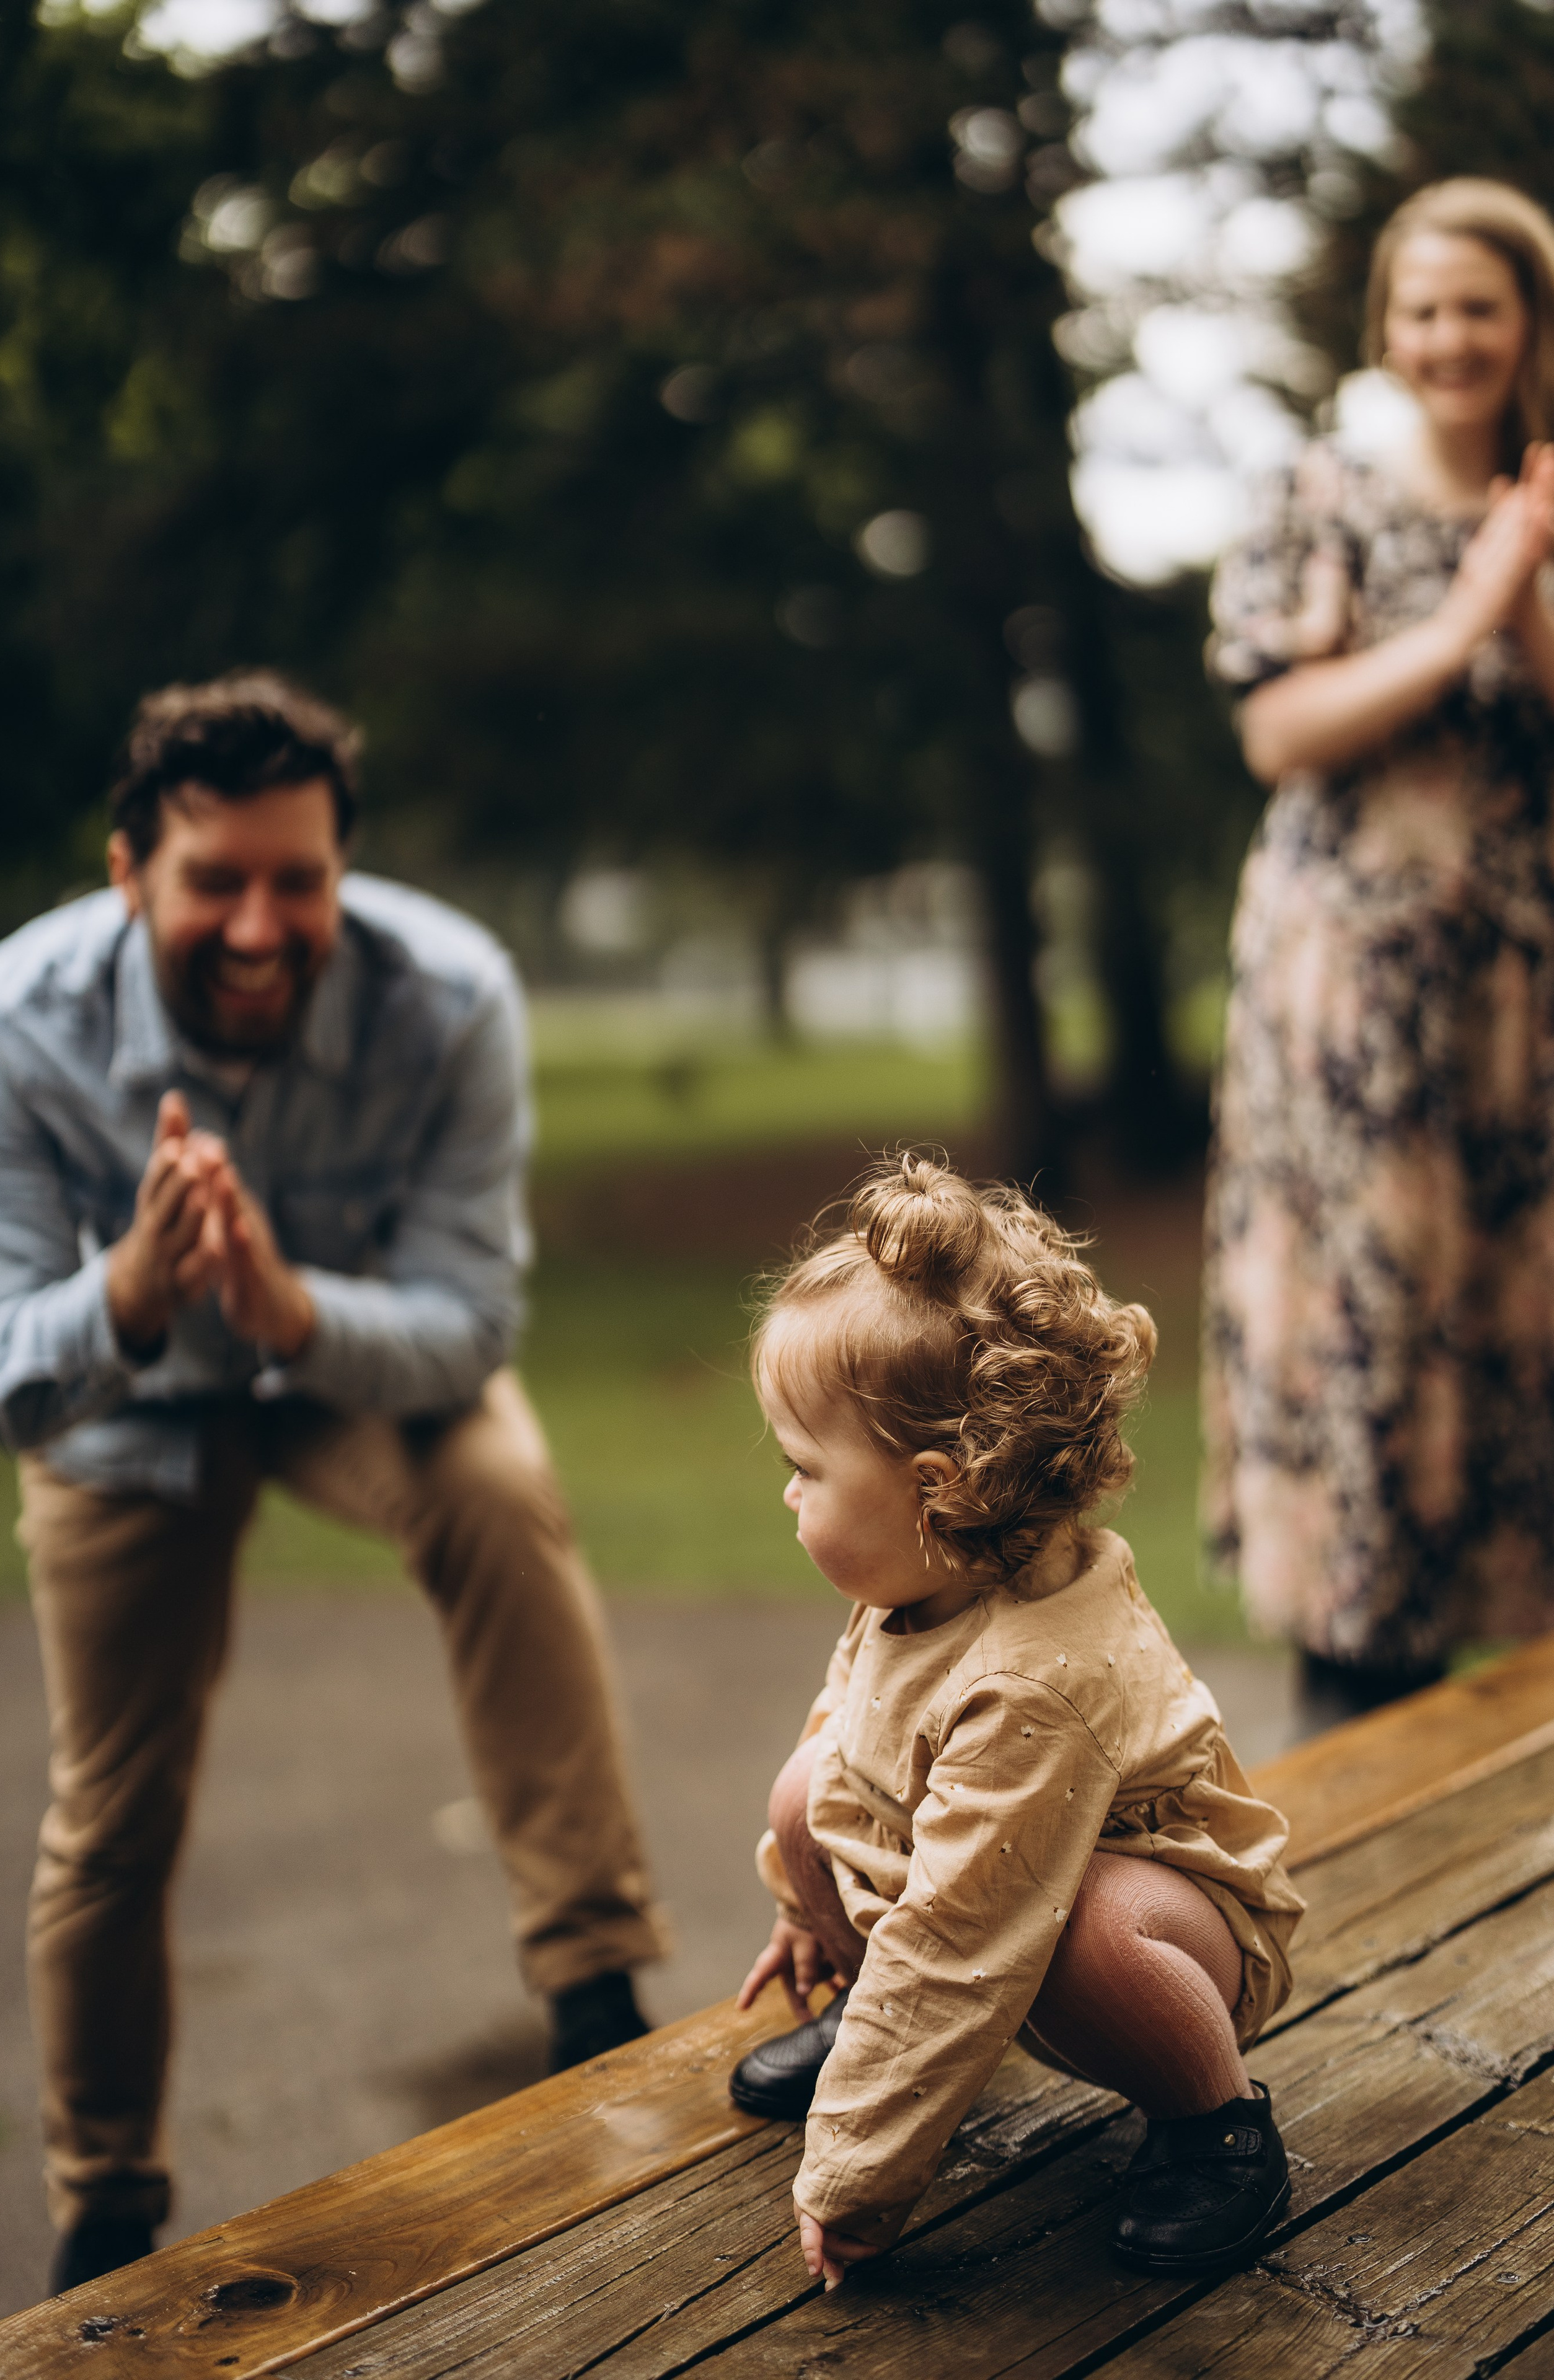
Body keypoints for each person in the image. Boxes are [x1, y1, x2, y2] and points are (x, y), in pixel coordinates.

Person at [0, 672, 668, 2293]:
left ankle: (596, 1999)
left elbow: (472, 1323)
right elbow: (7, 1377)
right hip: (128, 1403)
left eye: (300, 880)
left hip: (340, 1371)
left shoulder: (452, 995)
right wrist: (138, 1288)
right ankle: (105, 2209)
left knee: (498, 1480)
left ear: (343, 871)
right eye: (217, 880)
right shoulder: (9, 1024)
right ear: (130, 868)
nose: (263, 925)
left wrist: (288, 1311)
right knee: (110, 1807)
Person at [725, 1155, 1303, 2285]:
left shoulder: (1037, 1680)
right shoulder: (924, 1576)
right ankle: (863, 2010)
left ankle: (1215, 2124)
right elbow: (851, 1718)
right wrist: (806, 1901)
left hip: (1172, 1928)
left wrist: (854, 2175)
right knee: (812, 1779)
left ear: (935, 1488)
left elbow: (958, 1939)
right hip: (980, 1888)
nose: (787, 1494)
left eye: (803, 1467)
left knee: (1089, 1928)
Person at [1204, 178, 1554, 1733]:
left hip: (1514, 1002)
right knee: (1367, 1330)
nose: (1446, 336)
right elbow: (1279, 728)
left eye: (1477, 304)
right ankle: (1342, 1726)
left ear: (1528, 323)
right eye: (1418, 307)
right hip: (1347, 1006)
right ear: (1383, 326)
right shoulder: (1321, 494)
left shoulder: (1543, 493)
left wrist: (1527, 575)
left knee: (1505, 1329)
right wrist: (1469, 604)